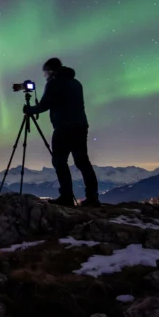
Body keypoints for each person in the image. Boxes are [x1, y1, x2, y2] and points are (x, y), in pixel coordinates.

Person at [23, 57, 100, 207]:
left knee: (59, 161)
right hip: (80, 127)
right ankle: (93, 198)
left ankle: (66, 197)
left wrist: (29, 110)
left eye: (45, 73)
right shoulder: (76, 83)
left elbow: (44, 105)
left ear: (51, 71)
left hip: (64, 128)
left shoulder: (54, 84)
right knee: (83, 162)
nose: (45, 76)